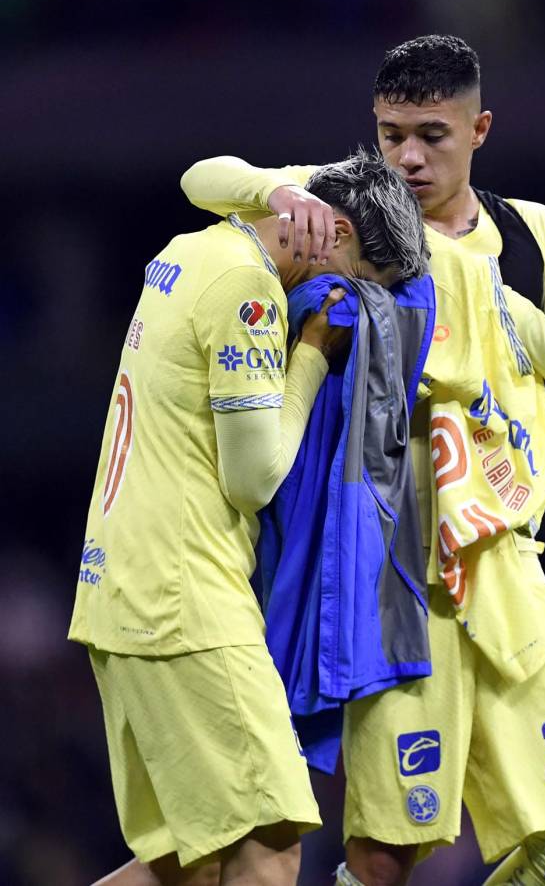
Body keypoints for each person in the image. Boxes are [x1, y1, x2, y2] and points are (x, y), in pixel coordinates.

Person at [179, 35, 545, 886]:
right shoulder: (348, 213)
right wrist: (279, 189)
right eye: (391, 136)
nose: (410, 158)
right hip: (390, 573)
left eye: (433, 134)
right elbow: (201, 179)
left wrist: (477, 291)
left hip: (505, 565)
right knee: (383, 862)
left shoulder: (530, 234)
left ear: (480, 127)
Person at [68, 151, 430, 886]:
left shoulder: (192, 248)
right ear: (325, 235)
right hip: (184, 602)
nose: (341, 302)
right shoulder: (250, 292)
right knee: (269, 846)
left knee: (187, 864)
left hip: (122, 594)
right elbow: (253, 478)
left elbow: (201, 175)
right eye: (352, 283)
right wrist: (309, 357)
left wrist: (279, 188)